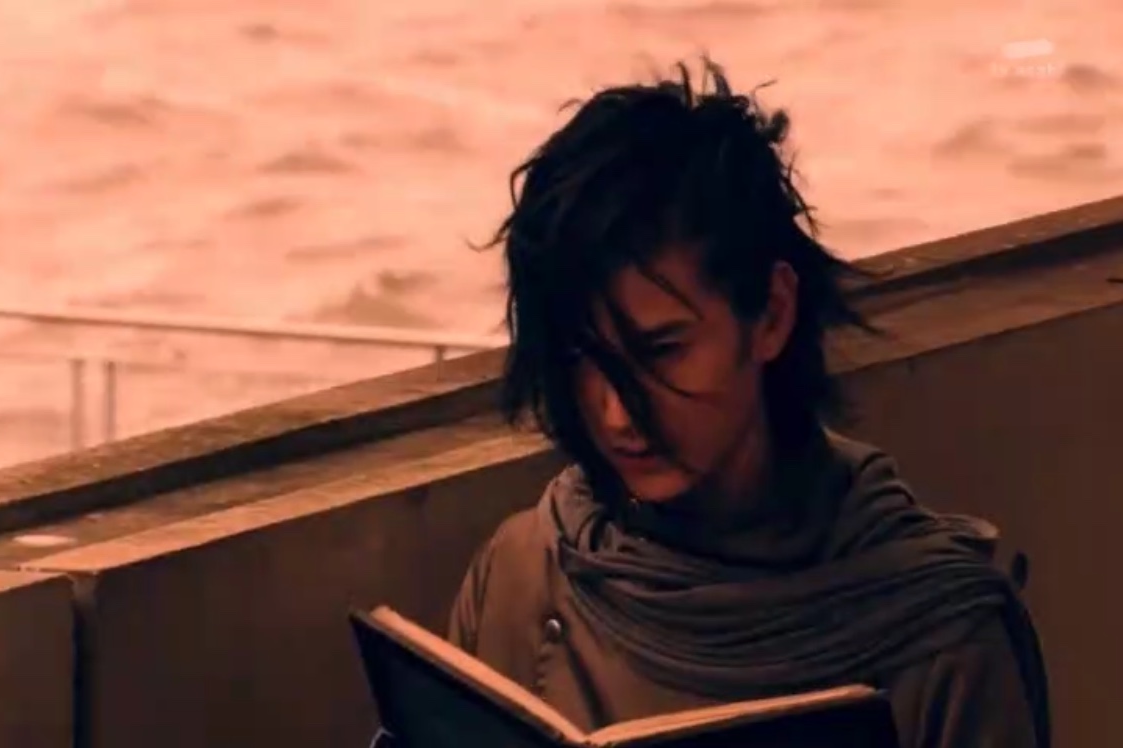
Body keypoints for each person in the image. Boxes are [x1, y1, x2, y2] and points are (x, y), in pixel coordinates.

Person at [374, 59, 1049, 748]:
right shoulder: (523, 574)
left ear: (771, 314)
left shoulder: (944, 638)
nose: (616, 415)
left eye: (661, 351)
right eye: (583, 358)